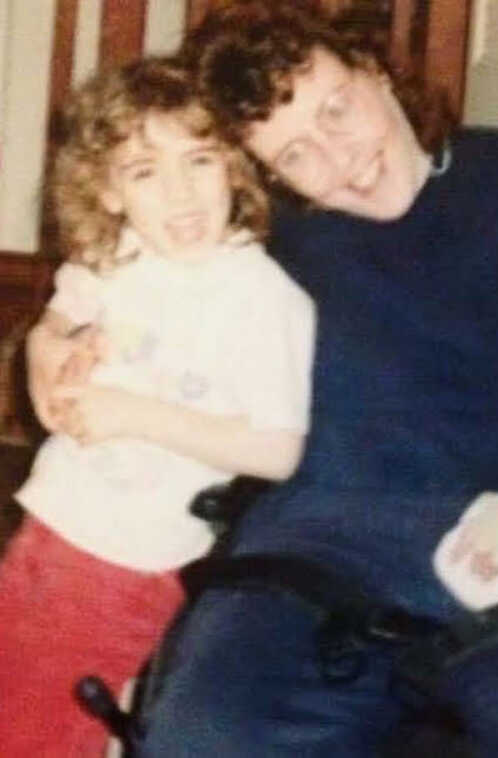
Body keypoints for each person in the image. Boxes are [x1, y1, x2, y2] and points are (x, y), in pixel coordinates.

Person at [28, 2, 498, 755]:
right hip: (321, 573)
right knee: (207, 735)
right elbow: (126, 261)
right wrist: (50, 341)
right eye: (296, 155)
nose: (341, 158)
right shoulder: (259, 248)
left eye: (337, 109)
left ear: (374, 70)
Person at [4, 56, 315, 756]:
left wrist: (130, 415)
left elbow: (279, 446)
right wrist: (51, 349)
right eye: (145, 172)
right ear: (109, 194)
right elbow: (66, 306)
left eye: (199, 161)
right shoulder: (124, 255)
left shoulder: (261, 298)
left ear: (235, 166)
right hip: (52, 522)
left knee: (44, 728)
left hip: (134, 555)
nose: (179, 195)